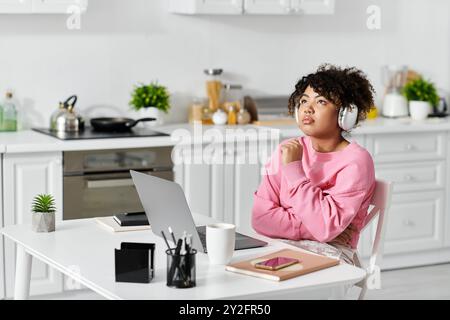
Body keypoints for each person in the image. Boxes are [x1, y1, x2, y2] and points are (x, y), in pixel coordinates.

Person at [252, 64, 376, 265]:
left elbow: (325, 226)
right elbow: (261, 218)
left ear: (346, 114)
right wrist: (315, 230)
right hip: (282, 247)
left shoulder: (356, 161)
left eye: (321, 101)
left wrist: (293, 170)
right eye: (303, 101)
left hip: (333, 254)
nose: (307, 108)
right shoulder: (287, 150)